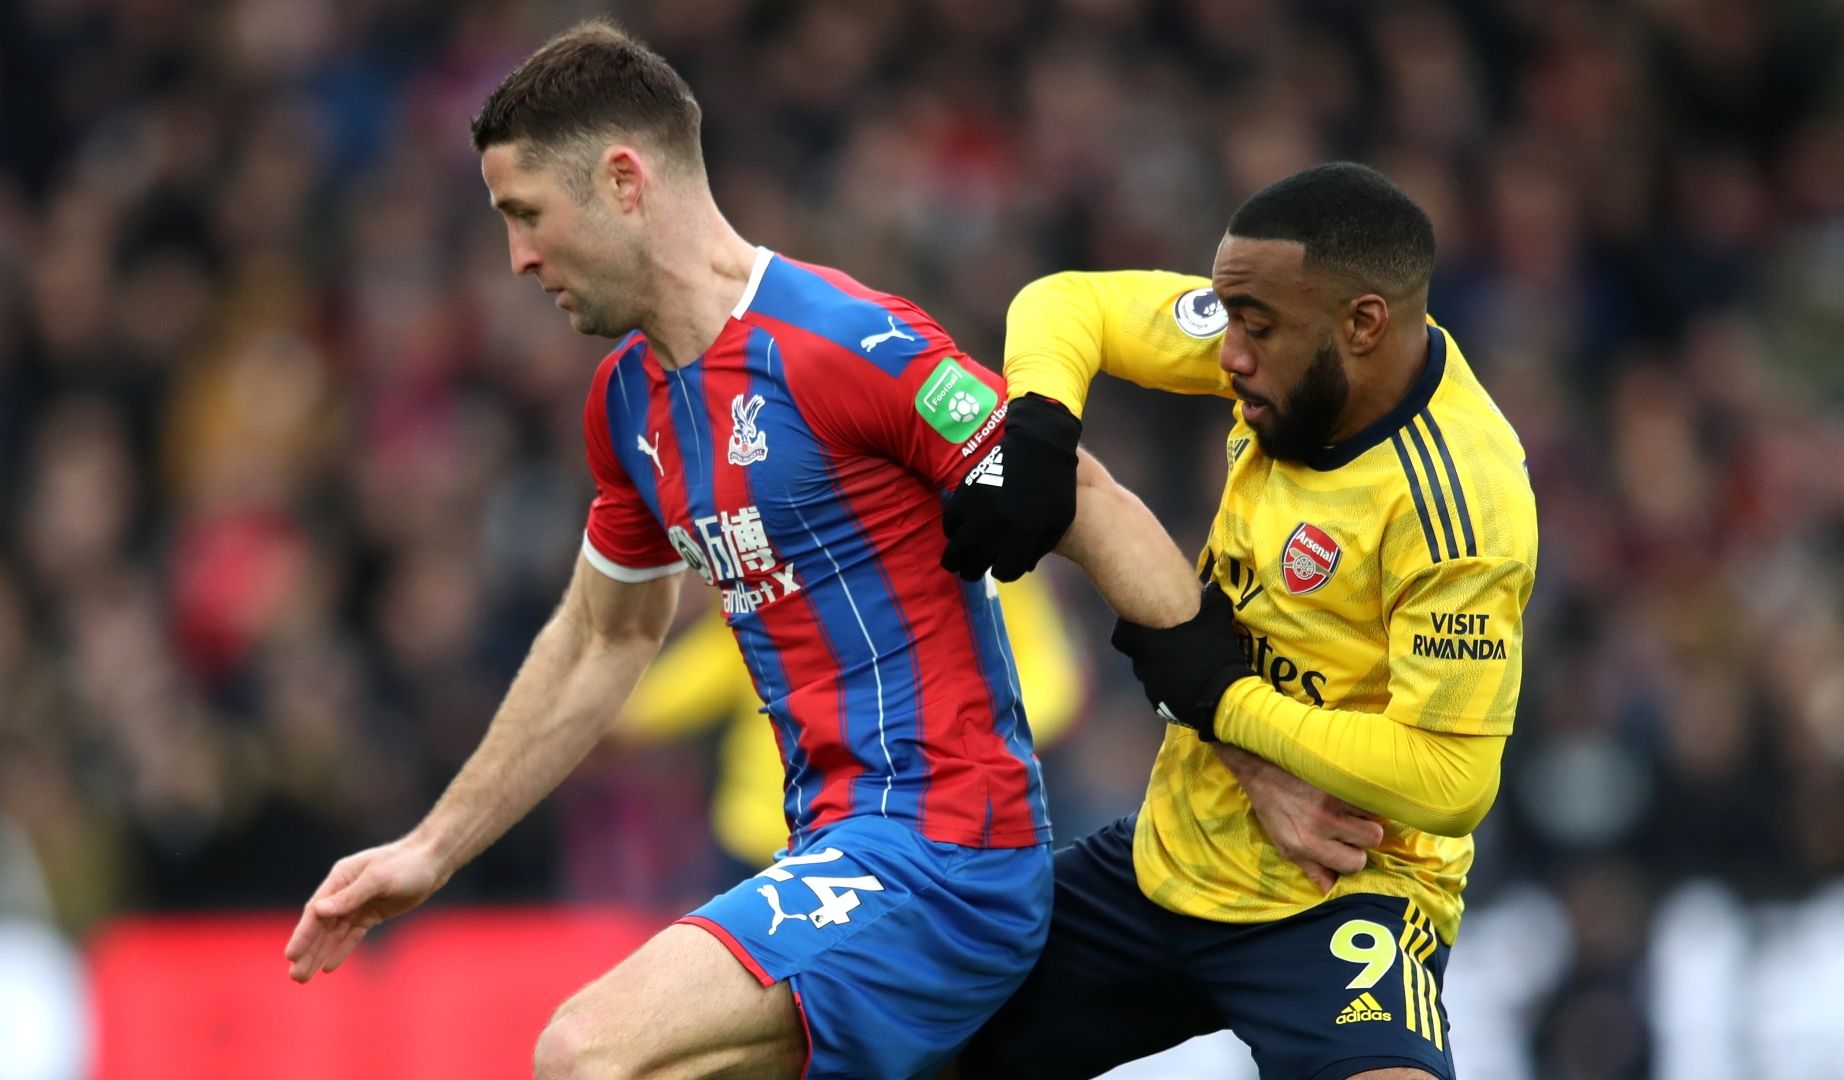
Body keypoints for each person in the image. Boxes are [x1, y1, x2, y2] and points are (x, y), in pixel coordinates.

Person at [282, 20, 1202, 1080]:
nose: (519, 258)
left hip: (944, 855)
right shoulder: (626, 404)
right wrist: (430, 849)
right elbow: (602, 637)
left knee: (586, 1053)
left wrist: (1239, 740)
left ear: (623, 181)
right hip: (826, 854)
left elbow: (1087, 499)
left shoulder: (846, 344)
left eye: (526, 215)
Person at [950, 162, 1539, 1080]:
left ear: (1363, 324)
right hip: (1172, 854)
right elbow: (1066, 303)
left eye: (1254, 329)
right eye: (1227, 319)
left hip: (1344, 889)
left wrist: (1224, 702)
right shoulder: (1288, 345)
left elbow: (1450, 777)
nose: (1227, 355)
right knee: (891, 1036)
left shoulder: (1463, 504)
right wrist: (1041, 422)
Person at [613, 572, 1087, 875]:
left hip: (906, 831)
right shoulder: (794, 534)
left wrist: (970, 735)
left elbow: (1049, 674)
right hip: (762, 826)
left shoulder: (974, 546)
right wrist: (631, 715)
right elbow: (726, 653)